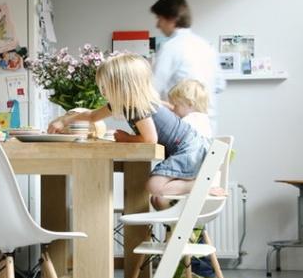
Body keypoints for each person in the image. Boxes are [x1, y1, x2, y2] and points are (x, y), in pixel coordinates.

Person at [48, 53, 210, 210]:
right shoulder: (134, 103)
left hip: (189, 149)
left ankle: (201, 185)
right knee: (158, 197)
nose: (102, 92)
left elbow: (150, 140)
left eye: (106, 86)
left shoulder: (138, 107)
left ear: (122, 86)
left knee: (155, 187)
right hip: (188, 147)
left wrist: (126, 138)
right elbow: (92, 115)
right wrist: (64, 120)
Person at [151, 0, 224, 134]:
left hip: (182, 130)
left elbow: (153, 89)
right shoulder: (206, 46)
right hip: (208, 127)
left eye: (159, 18)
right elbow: (220, 85)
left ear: (172, 18)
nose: (157, 25)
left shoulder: (170, 47)